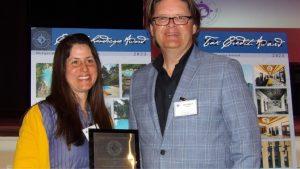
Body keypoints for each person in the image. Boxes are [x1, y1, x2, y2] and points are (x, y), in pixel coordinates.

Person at [129, 0, 261, 168]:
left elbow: (247, 147)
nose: (171, 25)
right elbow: (136, 152)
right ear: (152, 28)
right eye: (162, 18)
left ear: (194, 26)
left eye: (180, 18)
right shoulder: (138, 80)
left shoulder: (224, 70)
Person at [13, 33, 113, 168]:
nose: (84, 68)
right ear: (62, 69)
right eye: (75, 62)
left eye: (89, 60)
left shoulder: (103, 117)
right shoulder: (41, 115)